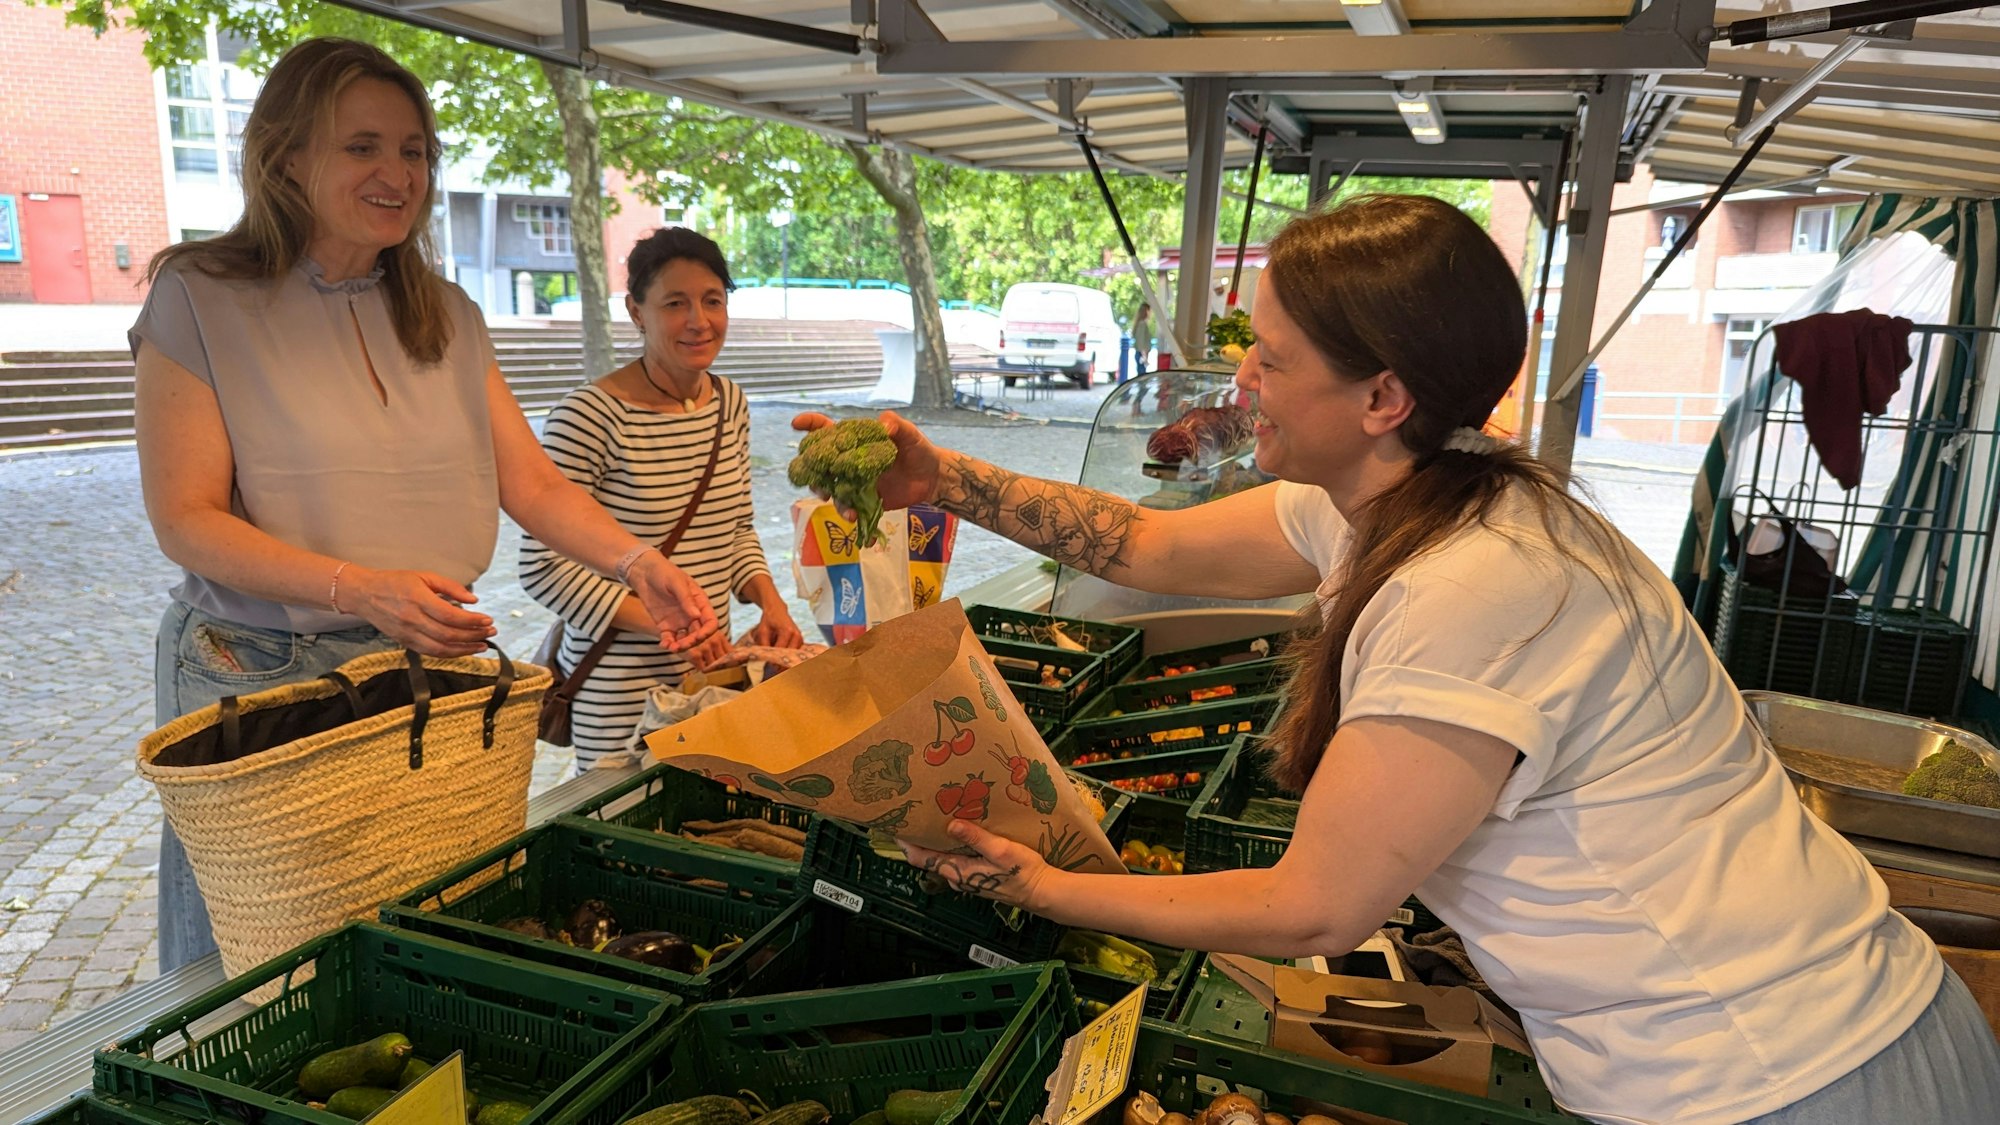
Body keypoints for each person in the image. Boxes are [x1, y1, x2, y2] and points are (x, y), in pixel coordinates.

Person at [807, 196, 2000, 1124]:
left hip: (1778, 1075)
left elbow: (1315, 905)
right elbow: (1145, 541)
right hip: (1781, 1044)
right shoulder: (1397, 502)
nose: (1240, 383)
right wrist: (942, 477)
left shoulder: (1472, 588)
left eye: (1269, 361)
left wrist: (1046, 887)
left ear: (1380, 394)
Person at [130, 37, 718, 972]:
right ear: (286, 156)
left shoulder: (446, 311)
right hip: (258, 674)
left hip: (417, 661)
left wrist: (639, 561)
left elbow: (530, 482)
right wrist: (358, 587)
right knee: (254, 963)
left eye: (414, 151)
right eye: (363, 146)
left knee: (407, 940)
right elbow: (187, 519)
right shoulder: (199, 296)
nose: (397, 173)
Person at [520, 228, 804, 766]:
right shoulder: (590, 416)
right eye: (676, 303)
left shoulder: (729, 403)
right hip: (617, 686)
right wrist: (665, 625)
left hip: (710, 677)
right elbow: (542, 566)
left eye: (713, 300)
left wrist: (770, 601)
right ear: (636, 310)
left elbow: (735, 528)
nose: (699, 321)